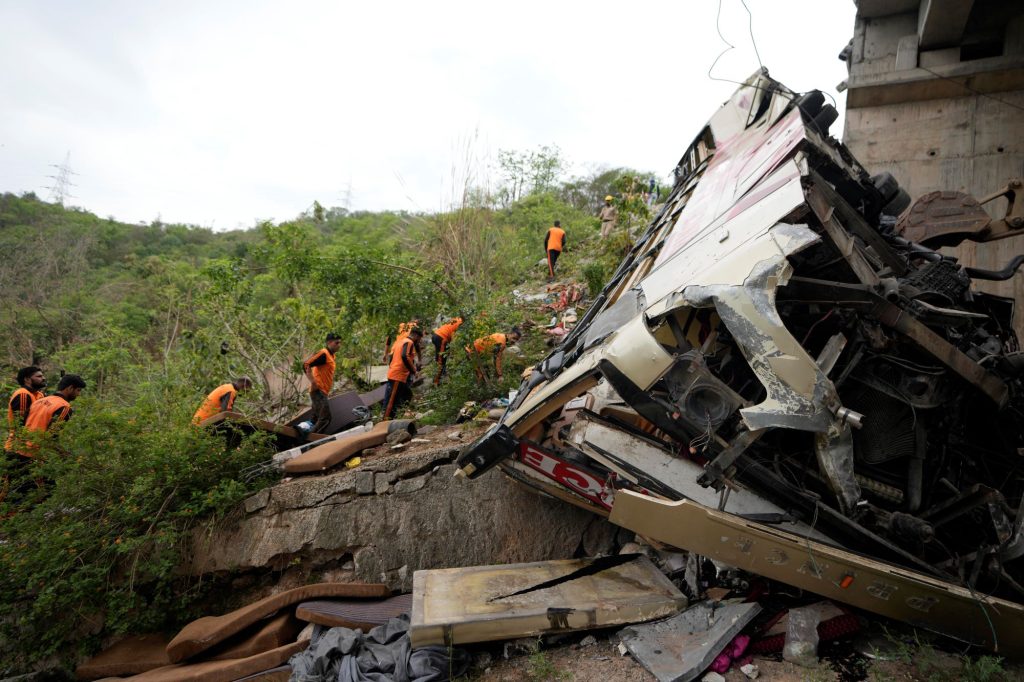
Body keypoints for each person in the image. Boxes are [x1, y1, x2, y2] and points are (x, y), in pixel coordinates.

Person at [24, 374, 86, 448]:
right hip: (35, 453)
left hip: (18, 447)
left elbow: (22, 422)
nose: (78, 394)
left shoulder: (39, 401)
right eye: (78, 390)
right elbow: (52, 435)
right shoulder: (64, 407)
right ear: (70, 388)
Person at [304, 333, 341, 434]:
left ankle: (306, 437)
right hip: (318, 391)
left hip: (323, 391)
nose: (339, 345)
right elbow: (306, 364)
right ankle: (312, 440)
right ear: (329, 342)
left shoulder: (332, 355)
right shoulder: (324, 353)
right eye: (336, 343)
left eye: (340, 343)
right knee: (325, 418)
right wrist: (313, 381)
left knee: (316, 419)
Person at [5, 366, 46, 454]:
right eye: (39, 376)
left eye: (42, 376)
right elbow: (21, 423)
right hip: (19, 447)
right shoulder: (23, 394)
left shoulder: (39, 394)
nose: (43, 378)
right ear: (27, 379)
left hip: (34, 446)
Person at [384, 327, 422, 419]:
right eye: (419, 339)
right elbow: (405, 356)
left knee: (407, 395)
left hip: (398, 374)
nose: (419, 342)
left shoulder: (401, 341)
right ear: (416, 336)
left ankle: (397, 416)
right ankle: (385, 421)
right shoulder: (409, 342)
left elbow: (393, 356)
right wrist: (414, 371)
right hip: (397, 375)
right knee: (391, 401)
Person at [431, 316, 463, 385]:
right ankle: (436, 381)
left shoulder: (457, 319)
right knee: (441, 359)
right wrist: (455, 353)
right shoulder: (460, 323)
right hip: (441, 337)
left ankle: (441, 374)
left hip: (438, 335)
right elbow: (454, 339)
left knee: (441, 357)